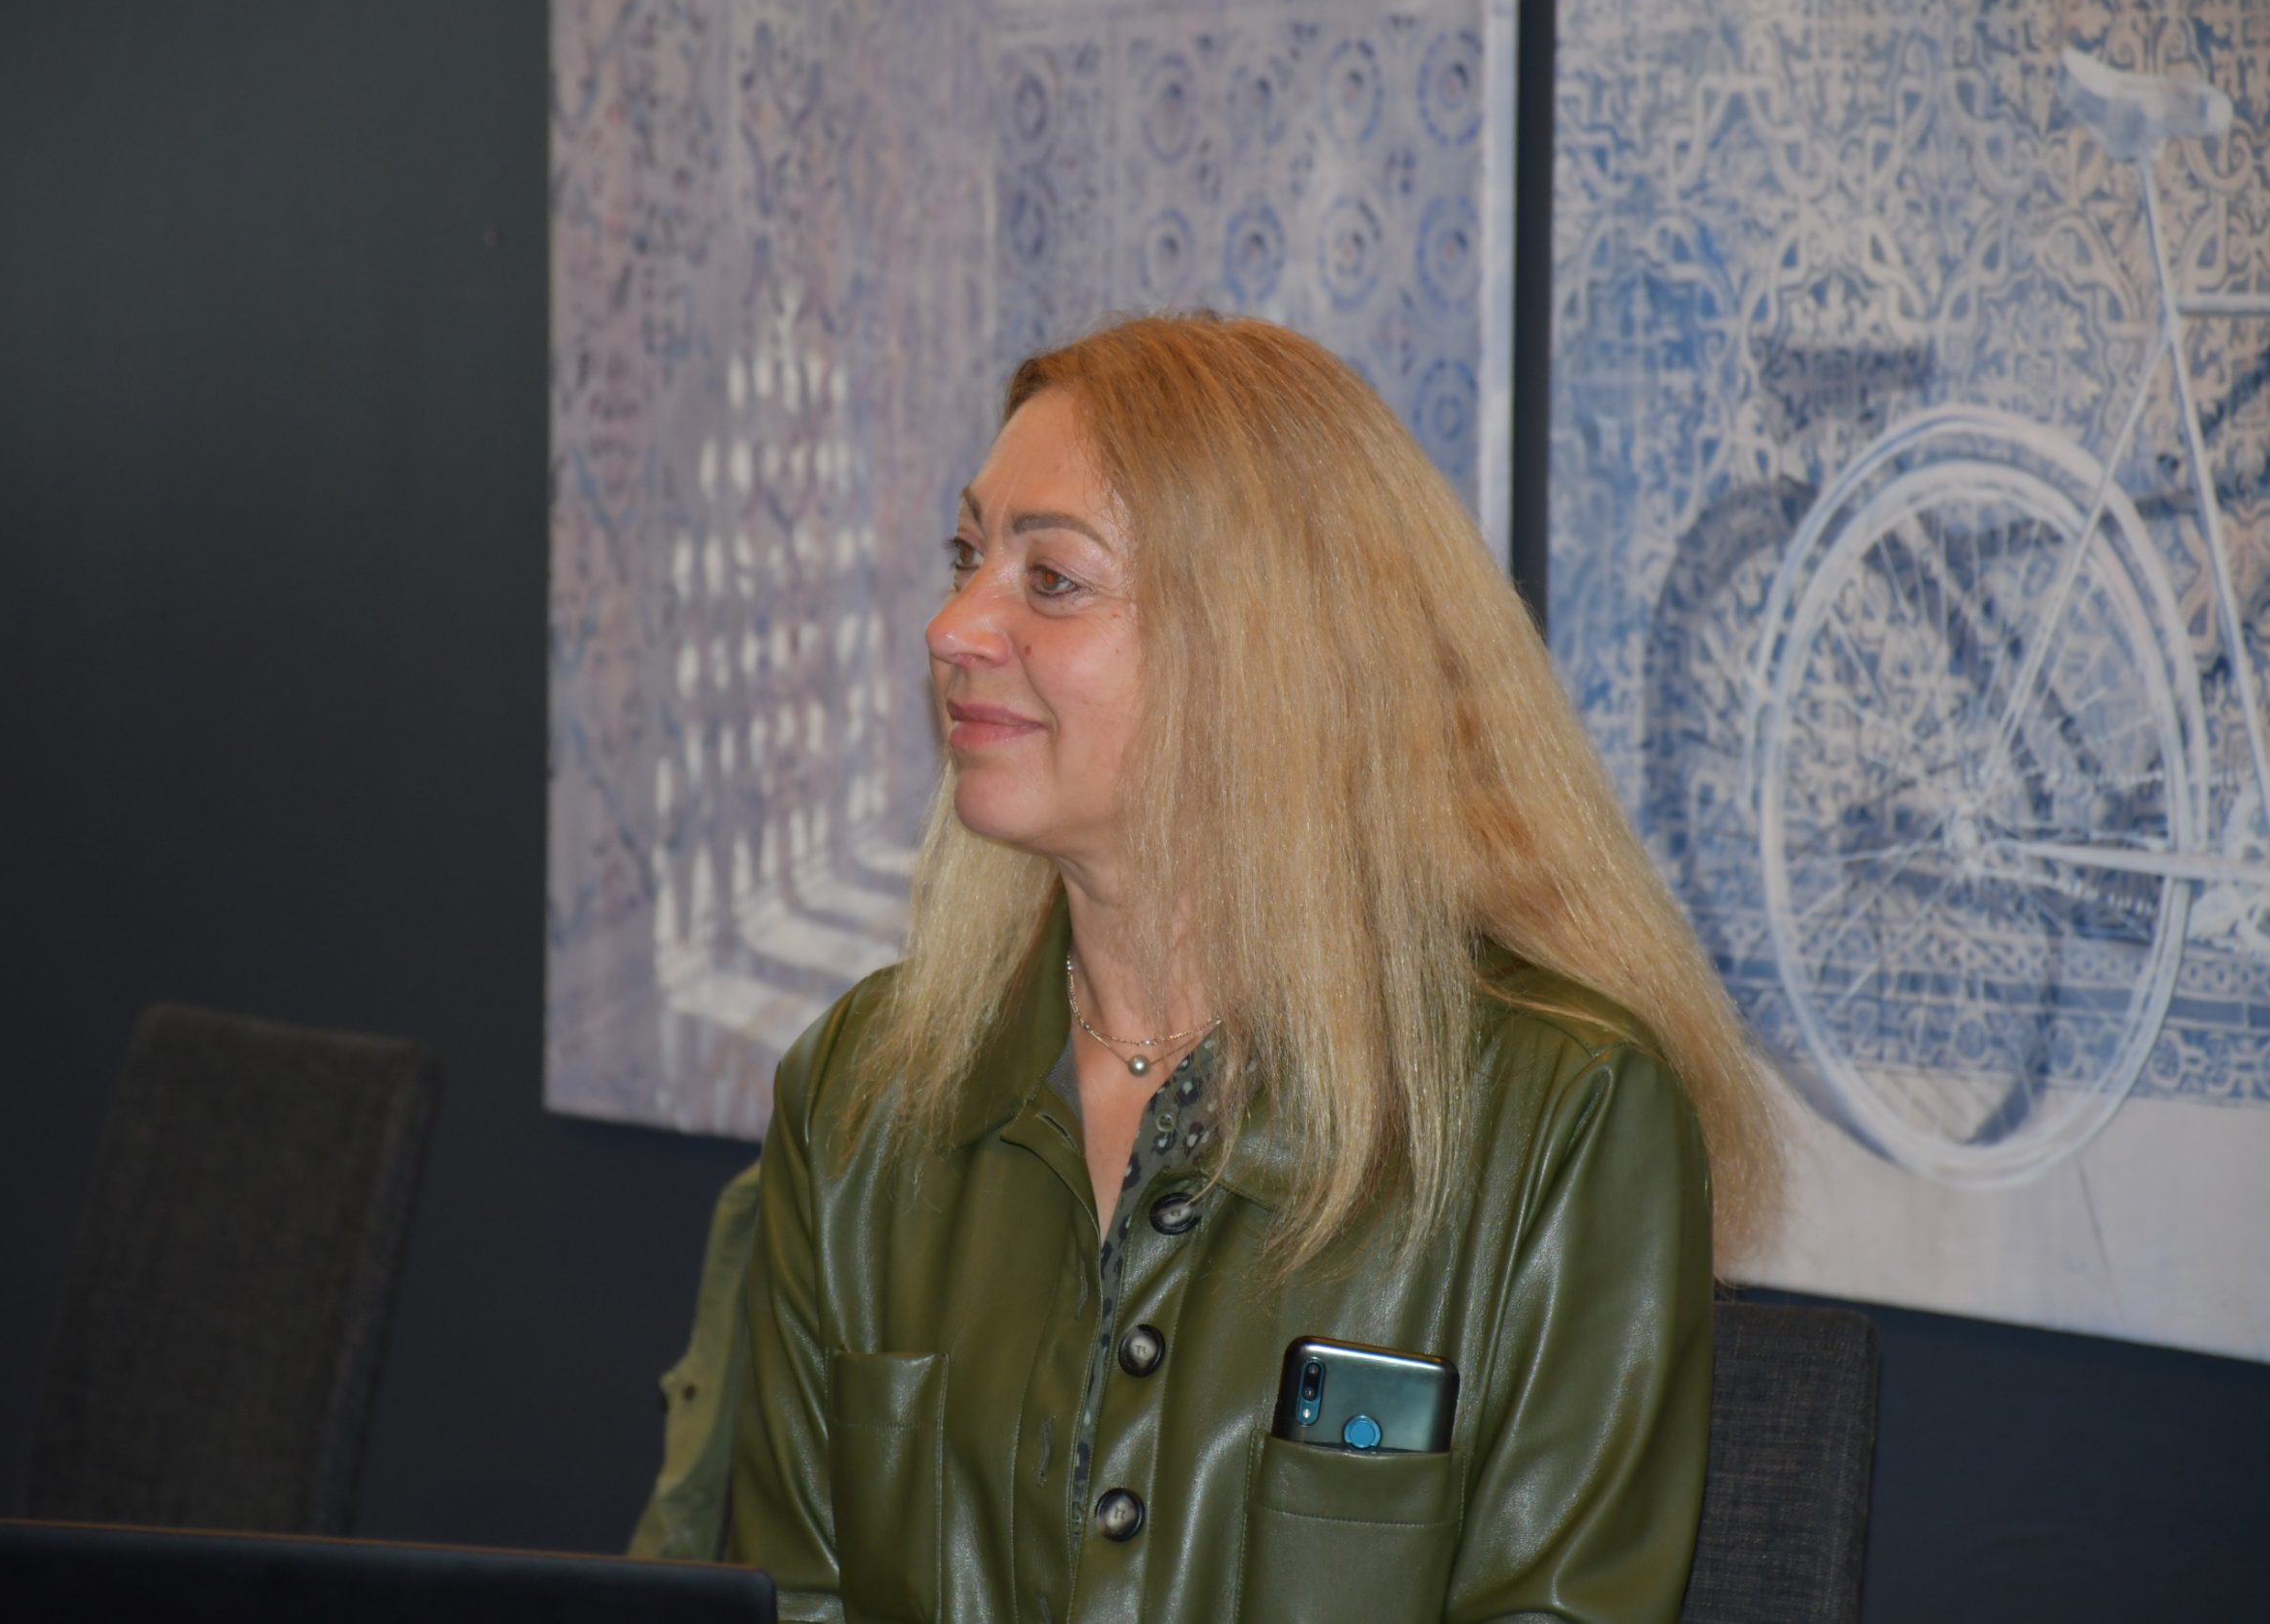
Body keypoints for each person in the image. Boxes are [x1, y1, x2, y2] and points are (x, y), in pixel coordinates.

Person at [638, 313, 1777, 1623]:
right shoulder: (862, 1098)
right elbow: (799, 1598)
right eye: (966, 558)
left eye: (1050, 580)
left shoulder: (1563, 1118)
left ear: (1257, 645)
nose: (953, 626)